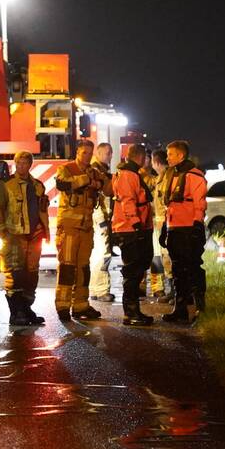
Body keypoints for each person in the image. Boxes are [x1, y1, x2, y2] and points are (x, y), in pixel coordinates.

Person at [0, 151, 48, 326]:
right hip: (14, 236)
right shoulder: (5, 185)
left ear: (30, 164)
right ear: (15, 164)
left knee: (31, 275)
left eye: (26, 163)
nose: (22, 166)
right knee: (15, 275)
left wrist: (43, 231)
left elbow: (42, 210)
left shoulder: (38, 185)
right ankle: (16, 313)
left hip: (34, 236)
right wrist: (2, 232)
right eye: (20, 163)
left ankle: (26, 310)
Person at [54, 139, 106, 321]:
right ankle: (62, 306)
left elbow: (108, 188)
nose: (87, 157)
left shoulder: (94, 172)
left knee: (84, 268)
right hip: (68, 227)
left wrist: (97, 183)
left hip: (86, 228)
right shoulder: (66, 169)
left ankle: (80, 306)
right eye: (84, 153)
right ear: (77, 152)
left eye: (90, 154)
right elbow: (63, 184)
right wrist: (87, 180)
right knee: (67, 267)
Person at [161, 140, 207, 323]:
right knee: (178, 270)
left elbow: (199, 203)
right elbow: (170, 205)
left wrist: (197, 225)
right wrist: (166, 227)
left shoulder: (194, 175)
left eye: (170, 154)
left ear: (180, 155)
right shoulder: (171, 174)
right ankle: (180, 309)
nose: (167, 157)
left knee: (193, 268)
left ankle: (200, 309)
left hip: (189, 229)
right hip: (175, 228)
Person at [111, 143, 155, 326]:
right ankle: (131, 313)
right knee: (133, 271)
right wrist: (136, 224)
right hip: (131, 229)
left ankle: (133, 311)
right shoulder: (129, 175)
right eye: (145, 157)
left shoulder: (130, 173)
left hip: (134, 228)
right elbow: (128, 201)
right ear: (140, 157)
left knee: (137, 269)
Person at [88, 142, 115, 303]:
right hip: (99, 219)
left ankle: (94, 288)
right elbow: (97, 198)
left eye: (110, 153)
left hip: (101, 218)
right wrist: (102, 221)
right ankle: (102, 290)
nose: (110, 155)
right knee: (103, 254)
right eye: (107, 153)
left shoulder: (101, 170)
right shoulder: (97, 172)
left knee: (97, 255)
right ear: (98, 153)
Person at [149, 149, 173, 303]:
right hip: (160, 226)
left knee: (169, 258)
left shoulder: (167, 179)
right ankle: (171, 291)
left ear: (156, 163)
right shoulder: (160, 178)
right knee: (163, 259)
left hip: (166, 225)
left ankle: (175, 292)